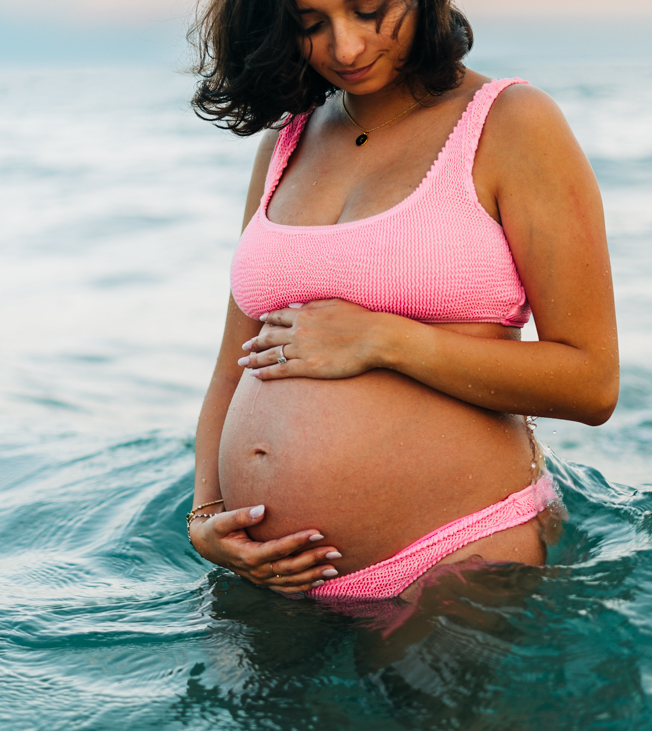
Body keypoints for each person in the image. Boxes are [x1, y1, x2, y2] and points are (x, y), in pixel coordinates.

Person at [185, 0, 618, 600]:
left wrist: (386, 340)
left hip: (453, 557)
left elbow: (592, 383)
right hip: (268, 574)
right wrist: (206, 515)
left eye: (371, 11)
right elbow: (234, 364)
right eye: (311, 25)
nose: (347, 49)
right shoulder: (287, 140)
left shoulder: (513, 122)